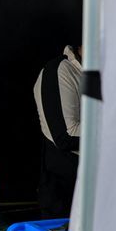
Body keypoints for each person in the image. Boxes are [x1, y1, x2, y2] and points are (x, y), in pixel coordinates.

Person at [33, 44, 83, 218]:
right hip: (68, 189)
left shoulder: (112, 71)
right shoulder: (61, 70)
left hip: (109, 182)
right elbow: (66, 135)